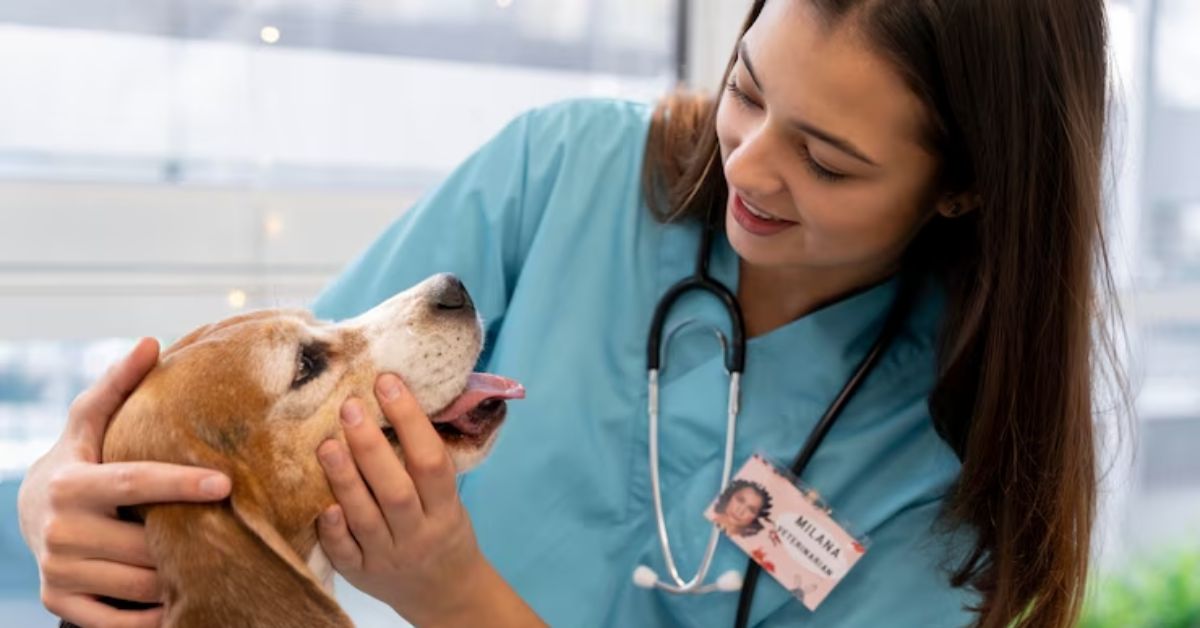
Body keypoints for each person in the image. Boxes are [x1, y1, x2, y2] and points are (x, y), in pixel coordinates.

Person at [16, 0, 1121, 626]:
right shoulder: (566, 171)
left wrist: (453, 594)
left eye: (827, 158)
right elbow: (257, 423)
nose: (749, 164)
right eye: (745, 87)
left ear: (965, 185)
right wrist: (69, 497)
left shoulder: (956, 447)